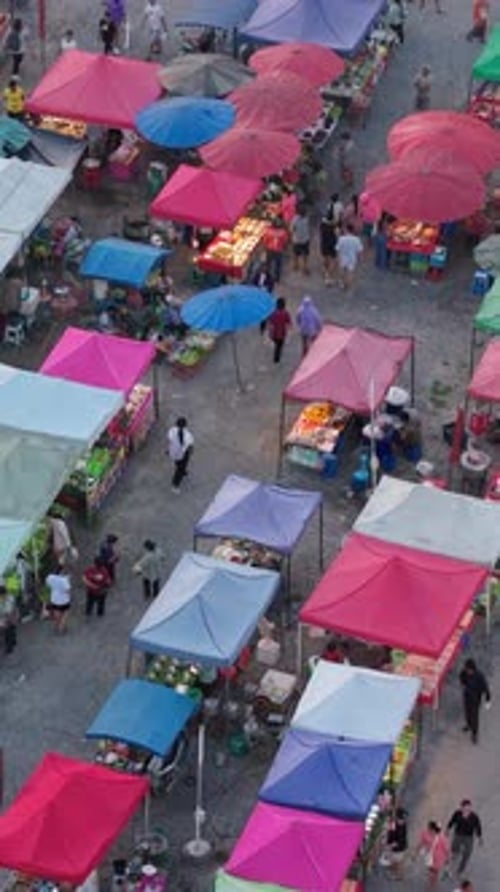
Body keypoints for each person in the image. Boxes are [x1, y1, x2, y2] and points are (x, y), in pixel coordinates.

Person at [459, 657, 491, 743]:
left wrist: (488, 699)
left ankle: (474, 733)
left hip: (476, 699)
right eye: (466, 669)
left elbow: (485, 688)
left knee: (474, 716)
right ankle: (468, 725)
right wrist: (463, 683)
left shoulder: (479, 676)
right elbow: (461, 677)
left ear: (472, 669)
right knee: (467, 712)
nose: (467, 671)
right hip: (467, 696)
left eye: (468, 670)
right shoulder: (465, 672)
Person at [447, 800, 483, 875]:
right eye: (465, 808)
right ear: (461, 808)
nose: (467, 810)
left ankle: (460, 869)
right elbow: (452, 821)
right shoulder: (457, 814)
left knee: (467, 853)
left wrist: (480, 837)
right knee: (454, 849)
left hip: (468, 837)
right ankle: (455, 855)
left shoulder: (474, 817)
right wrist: (448, 829)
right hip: (458, 835)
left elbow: (478, 827)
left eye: (469, 808)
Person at [414, 820, 450, 888]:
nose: (428, 830)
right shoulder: (425, 833)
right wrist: (416, 853)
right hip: (429, 856)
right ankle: (432, 877)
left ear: (434, 830)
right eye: (428, 828)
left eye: (429, 828)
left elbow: (447, 849)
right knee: (430, 868)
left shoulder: (442, 838)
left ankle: (433, 882)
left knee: (434, 871)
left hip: (438, 858)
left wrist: (447, 858)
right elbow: (421, 843)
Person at [168, 417, 194, 493]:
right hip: (182, 454)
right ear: (185, 425)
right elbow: (190, 445)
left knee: (178, 464)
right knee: (180, 469)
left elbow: (169, 439)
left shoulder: (172, 431)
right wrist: (190, 451)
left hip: (173, 451)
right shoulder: (187, 435)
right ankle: (175, 485)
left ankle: (182, 471)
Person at [336, 223, 364, 289]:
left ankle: (342, 282)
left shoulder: (341, 238)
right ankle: (347, 284)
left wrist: (338, 258)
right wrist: (361, 259)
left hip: (342, 257)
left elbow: (338, 249)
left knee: (342, 270)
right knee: (350, 272)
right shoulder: (357, 239)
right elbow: (360, 251)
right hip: (352, 258)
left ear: (346, 230)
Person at [46, 565, 71, 633]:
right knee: (65, 615)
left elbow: (48, 585)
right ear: (61, 571)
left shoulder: (50, 577)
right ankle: (62, 628)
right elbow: (67, 590)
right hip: (64, 600)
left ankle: (56, 627)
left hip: (54, 599)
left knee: (57, 615)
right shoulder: (64, 580)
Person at [266, 297, 292, 364]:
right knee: (279, 346)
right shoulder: (286, 313)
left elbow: (270, 322)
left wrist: (269, 332)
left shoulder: (273, 313)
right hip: (282, 333)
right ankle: (277, 358)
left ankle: (276, 357)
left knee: (277, 345)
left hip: (274, 333)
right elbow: (289, 322)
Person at [385, 807, 409, 879]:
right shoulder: (394, 824)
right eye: (401, 819)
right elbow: (390, 834)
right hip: (394, 847)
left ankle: (399, 875)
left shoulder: (402, 825)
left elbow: (402, 838)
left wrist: (393, 844)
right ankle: (394, 871)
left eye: (403, 819)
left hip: (399, 848)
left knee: (398, 862)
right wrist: (389, 843)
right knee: (394, 860)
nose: (403, 820)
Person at [319, 210, 338, 285]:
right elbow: (337, 234)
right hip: (332, 244)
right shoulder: (334, 226)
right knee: (333, 260)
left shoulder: (322, 226)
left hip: (324, 244)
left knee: (325, 258)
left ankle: (325, 273)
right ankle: (329, 276)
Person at [290, 206, 311, 274]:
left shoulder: (295, 219)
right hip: (305, 239)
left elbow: (291, 229)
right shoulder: (306, 218)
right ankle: (304, 267)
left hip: (297, 240)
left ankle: (296, 265)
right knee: (305, 254)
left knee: (296, 253)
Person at [0, 585, 17, 655]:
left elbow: (10, 610)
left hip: (10, 616)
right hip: (5, 616)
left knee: (9, 630)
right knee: (9, 630)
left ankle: (9, 647)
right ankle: (12, 641)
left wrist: (7, 619)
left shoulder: (10, 598)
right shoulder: (4, 598)